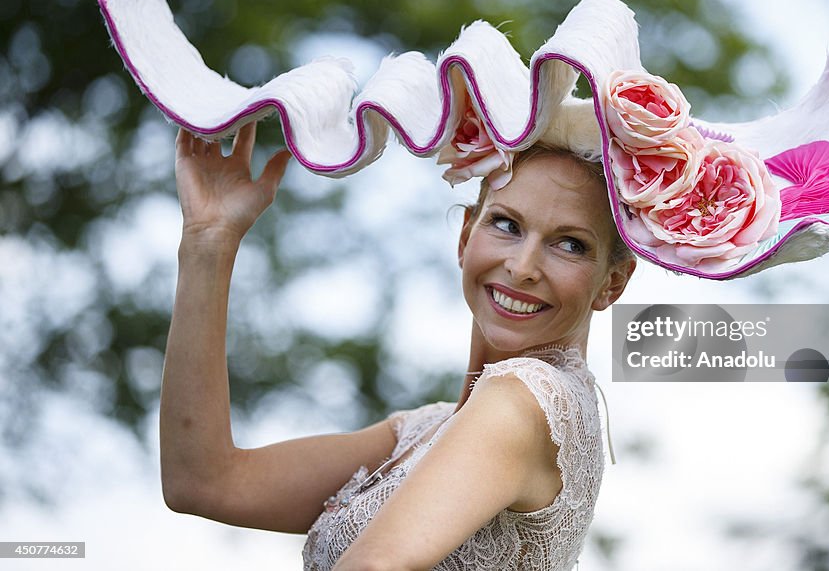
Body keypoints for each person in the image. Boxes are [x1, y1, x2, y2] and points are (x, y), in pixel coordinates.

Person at [162, 121, 636, 570]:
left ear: (611, 283)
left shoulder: (526, 398)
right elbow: (204, 482)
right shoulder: (424, 427)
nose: (523, 266)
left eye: (570, 244)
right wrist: (210, 240)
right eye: (507, 225)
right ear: (465, 235)